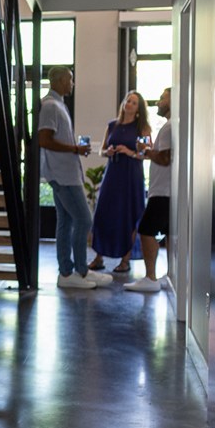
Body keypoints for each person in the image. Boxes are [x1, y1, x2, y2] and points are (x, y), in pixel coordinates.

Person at [38, 66, 113, 289]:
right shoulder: (50, 106)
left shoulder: (57, 104)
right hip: (62, 175)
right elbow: (44, 140)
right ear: (60, 81)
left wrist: (75, 150)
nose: (72, 83)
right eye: (70, 79)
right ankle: (78, 270)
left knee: (67, 221)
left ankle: (70, 272)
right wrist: (74, 149)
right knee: (84, 219)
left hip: (65, 173)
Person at [89, 91, 153, 273]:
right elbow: (101, 150)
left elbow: (147, 153)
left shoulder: (143, 128)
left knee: (129, 215)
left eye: (133, 102)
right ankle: (99, 256)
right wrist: (107, 152)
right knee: (103, 212)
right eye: (128, 100)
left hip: (131, 176)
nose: (129, 104)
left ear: (139, 109)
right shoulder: (112, 125)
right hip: (112, 174)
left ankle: (125, 260)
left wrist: (130, 152)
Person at [125, 88, 172, 292]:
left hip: (163, 190)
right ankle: (170, 274)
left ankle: (150, 278)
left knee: (145, 230)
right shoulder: (170, 126)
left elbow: (164, 158)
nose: (158, 102)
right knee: (169, 233)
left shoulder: (169, 128)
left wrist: (146, 151)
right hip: (164, 189)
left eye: (163, 98)